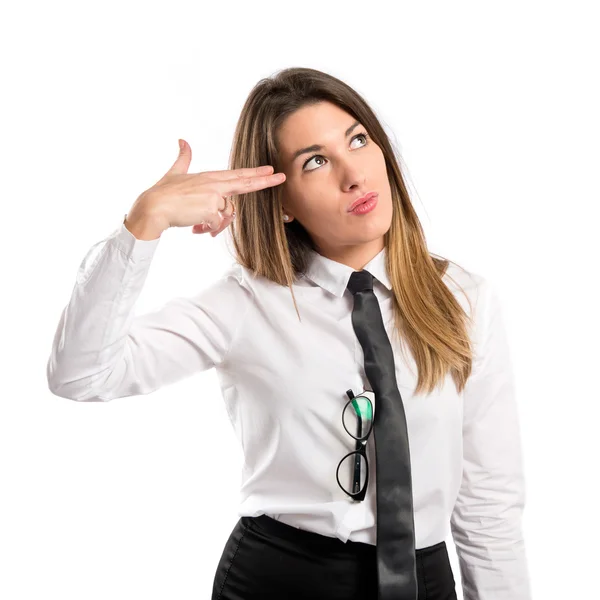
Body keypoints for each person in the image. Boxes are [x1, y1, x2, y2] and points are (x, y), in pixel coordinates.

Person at [46, 67, 531, 600]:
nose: (353, 175)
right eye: (315, 161)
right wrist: (145, 222)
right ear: (279, 203)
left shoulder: (463, 298)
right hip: (283, 581)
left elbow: (489, 500)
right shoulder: (244, 304)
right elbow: (82, 374)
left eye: (358, 140)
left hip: (425, 581)